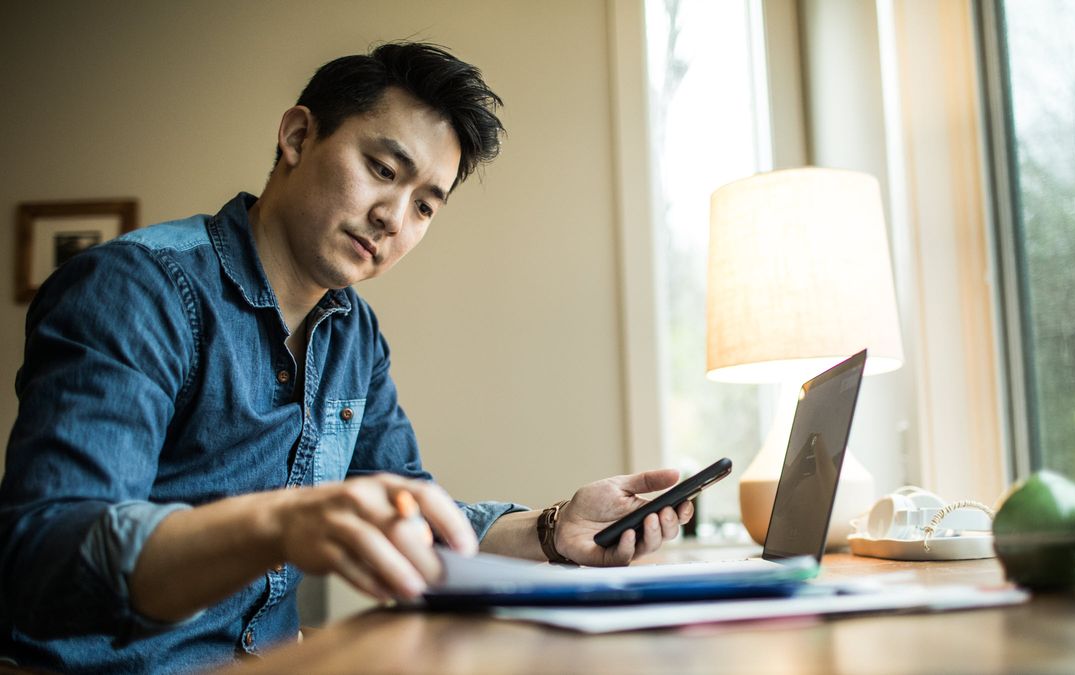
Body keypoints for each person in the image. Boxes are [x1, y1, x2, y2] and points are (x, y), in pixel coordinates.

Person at [0, 42, 693, 673]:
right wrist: (277, 523)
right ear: (298, 136)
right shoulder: (136, 290)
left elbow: (412, 516)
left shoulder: (353, 332)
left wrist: (554, 527)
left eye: (426, 206)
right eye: (382, 169)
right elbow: (45, 559)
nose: (395, 217)